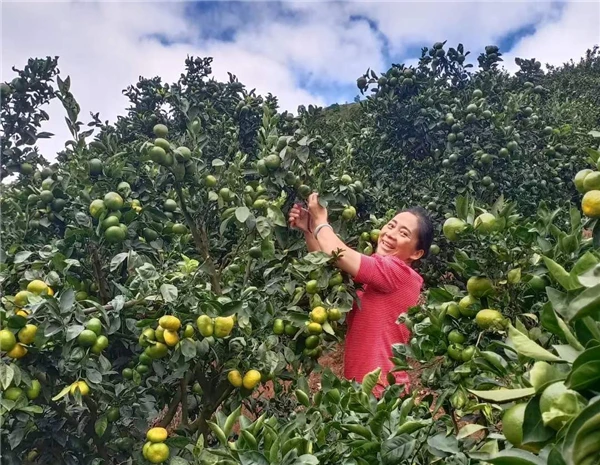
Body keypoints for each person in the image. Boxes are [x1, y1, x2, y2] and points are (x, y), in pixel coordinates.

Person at [288, 192, 433, 396]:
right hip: (361, 388)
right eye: (391, 226)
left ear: (416, 253)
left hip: (382, 392)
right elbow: (327, 264)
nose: (391, 234)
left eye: (404, 233)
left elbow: (336, 253)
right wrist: (310, 230)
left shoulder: (399, 273)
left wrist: (321, 220)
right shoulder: (376, 275)